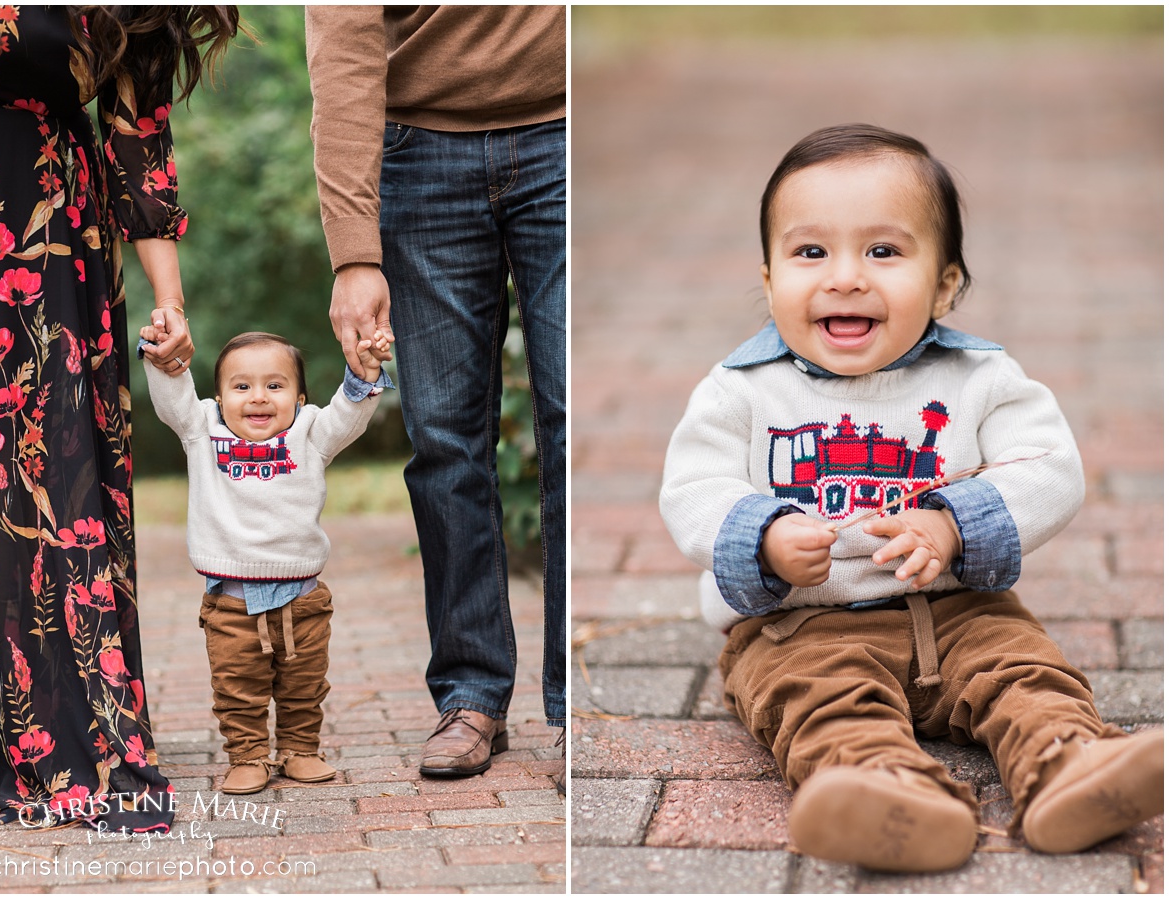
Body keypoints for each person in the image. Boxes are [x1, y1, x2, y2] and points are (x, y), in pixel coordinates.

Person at [660, 124, 1164, 872]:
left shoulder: (981, 379)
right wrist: (761, 536)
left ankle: (1068, 763)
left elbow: (1053, 468)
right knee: (822, 705)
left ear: (946, 284)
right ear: (768, 280)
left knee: (1026, 672)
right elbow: (691, 488)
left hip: (963, 609)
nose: (845, 277)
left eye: (883, 251)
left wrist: (954, 524)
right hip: (804, 626)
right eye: (810, 252)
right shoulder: (739, 391)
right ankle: (884, 790)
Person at [0, 5, 238, 831]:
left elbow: (141, 152)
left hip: (43, 231)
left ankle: (42, 713)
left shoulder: (144, 11)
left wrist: (172, 304)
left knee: (33, 470)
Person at [304, 7, 567, 789]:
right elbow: (343, 50)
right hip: (421, 152)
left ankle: (577, 699)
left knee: (571, 423)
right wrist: (354, 254)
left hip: (569, 129)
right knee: (446, 437)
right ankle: (471, 691)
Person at [140, 329, 393, 794]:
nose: (258, 397)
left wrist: (366, 369)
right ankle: (248, 754)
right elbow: (172, 401)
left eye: (275, 386)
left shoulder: (310, 433)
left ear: (299, 397)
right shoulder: (203, 429)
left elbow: (349, 415)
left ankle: (300, 749)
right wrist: (164, 357)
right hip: (231, 603)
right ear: (218, 397)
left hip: (303, 598)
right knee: (238, 687)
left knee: (304, 685)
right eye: (242, 386)